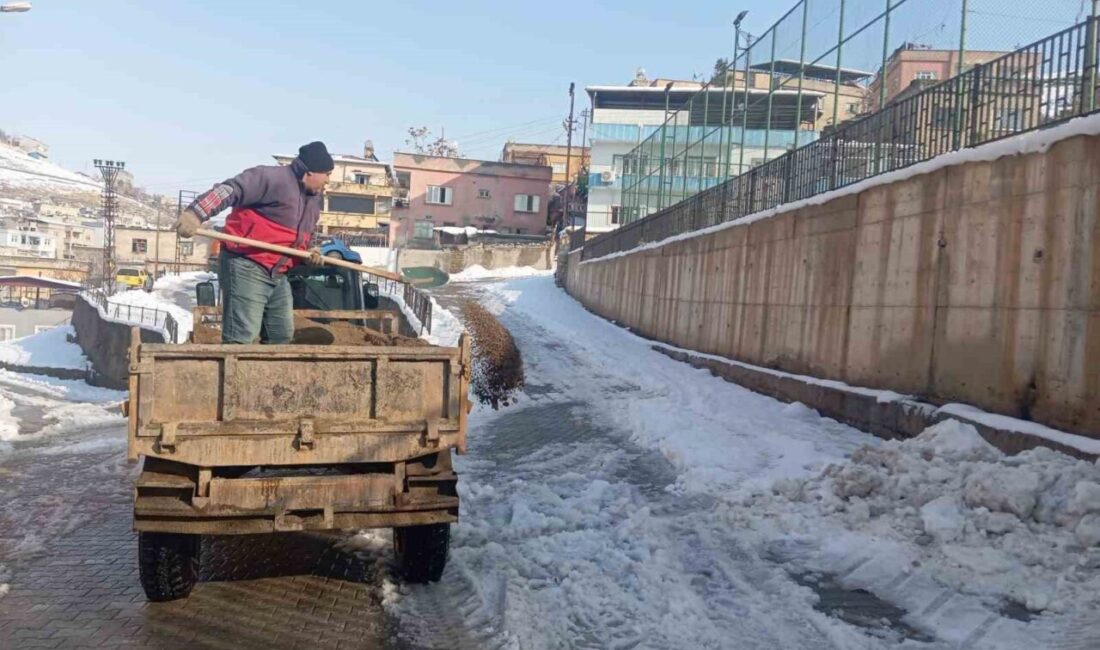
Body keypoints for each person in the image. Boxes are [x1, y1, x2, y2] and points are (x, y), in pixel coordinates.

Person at [176, 141, 333, 344]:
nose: (328, 181)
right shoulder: (272, 179)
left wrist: (309, 253)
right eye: (327, 174)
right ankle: (234, 374)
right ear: (310, 171)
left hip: (278, 274)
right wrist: (196, 213)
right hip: (247, 264)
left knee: (281, 335)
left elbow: (300, 239)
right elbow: (229, 190)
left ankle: (267, 376)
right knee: (242, 336)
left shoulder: (313, 202)